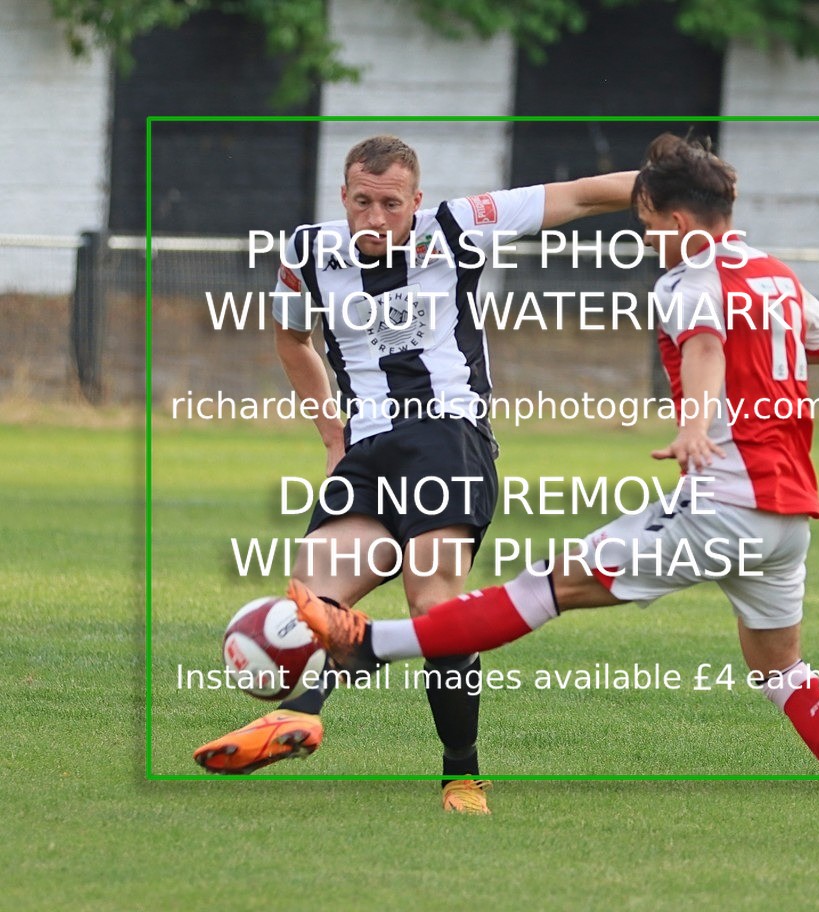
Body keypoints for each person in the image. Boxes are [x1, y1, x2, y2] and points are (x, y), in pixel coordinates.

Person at [288, 132, 819, 846]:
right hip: (788, 519)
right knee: (782, 671)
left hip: (720, 506)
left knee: (542, 588)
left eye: (648, 226)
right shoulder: (774, 274)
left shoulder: (687, 282)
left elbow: (705, 345)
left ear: (679, 223)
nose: (643, 239)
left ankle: (371, 644)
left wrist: (697, 425)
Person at [193, 134, 637, 814]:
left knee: (432, 605)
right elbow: (291, 338)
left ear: (416, 202)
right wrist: (331, 432)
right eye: (362, 202)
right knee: (310, 605)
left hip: (447, 438)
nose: (375, 218)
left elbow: (577, 195)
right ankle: (300, 714)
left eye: (391, 204)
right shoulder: (307, 252)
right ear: (342, 197)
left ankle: (462, 775)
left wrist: (674, 189)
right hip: (369, 453)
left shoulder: (458, 227)